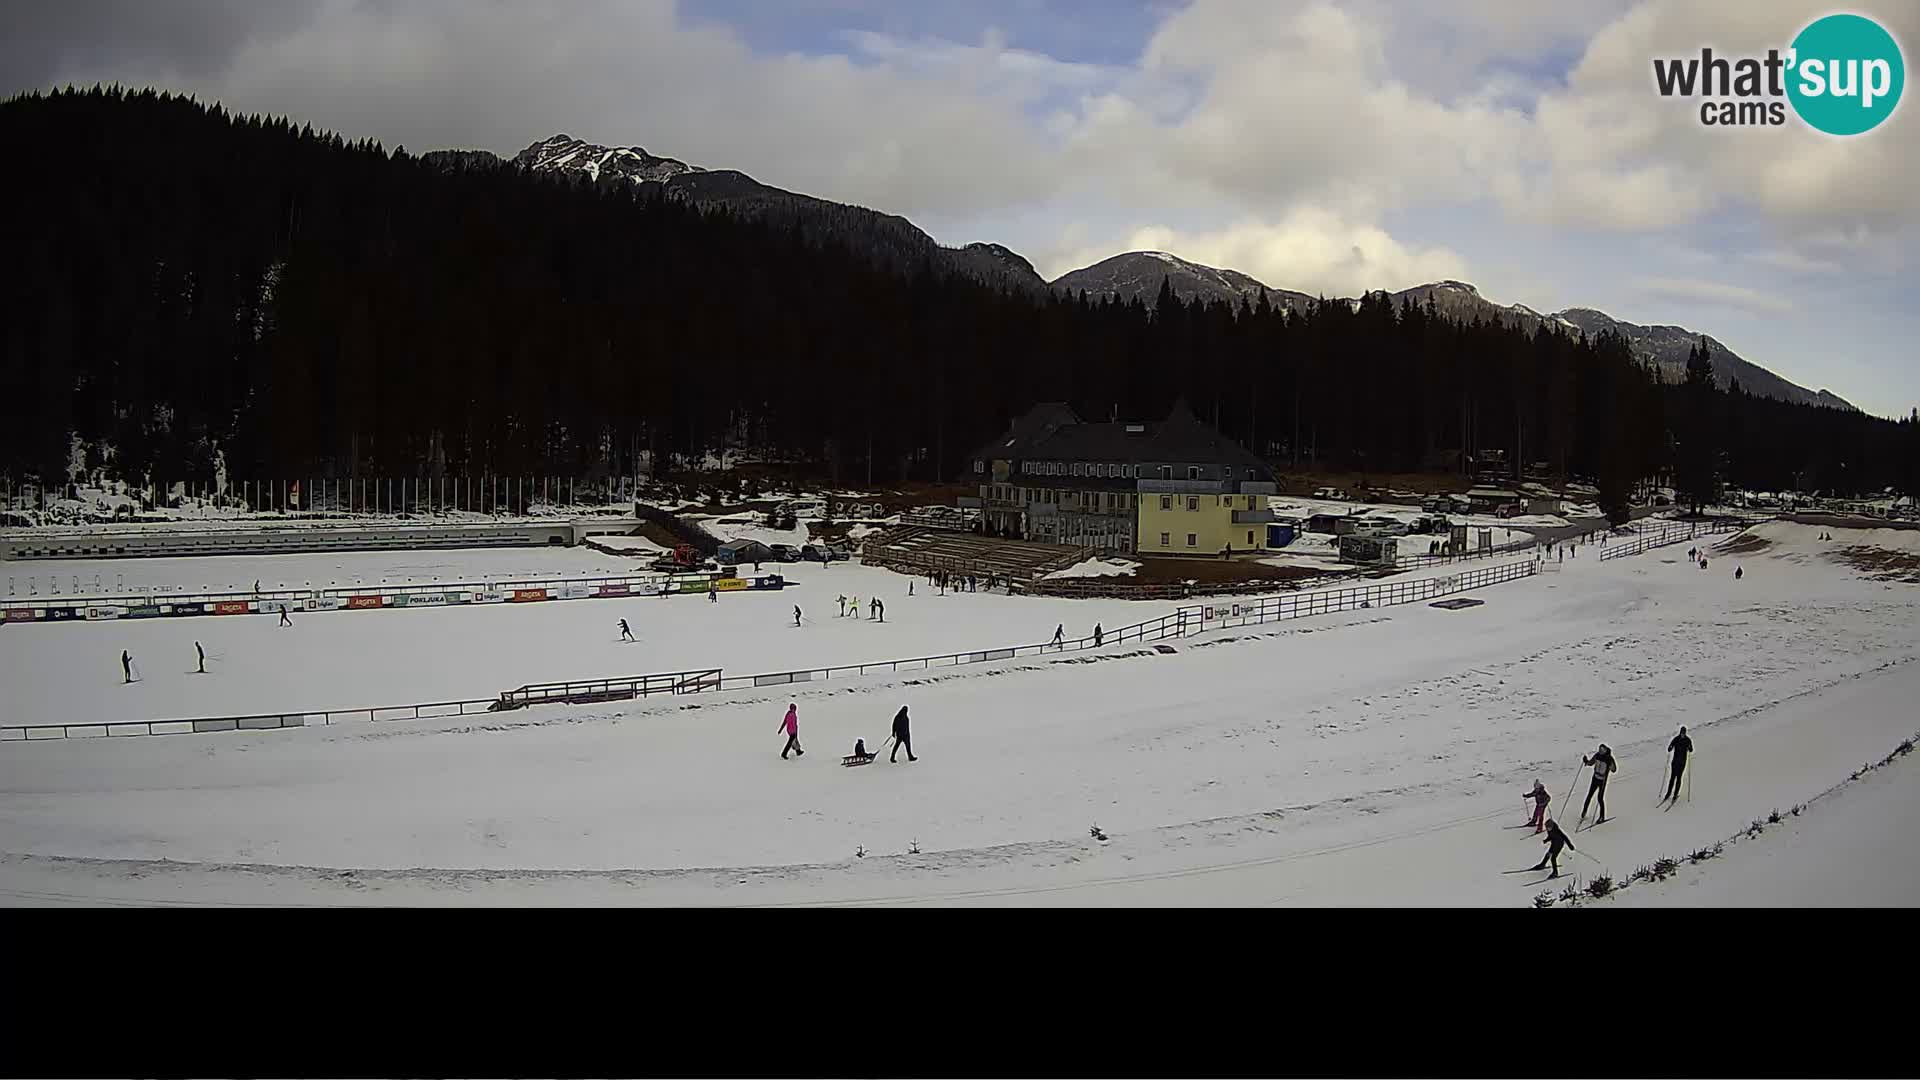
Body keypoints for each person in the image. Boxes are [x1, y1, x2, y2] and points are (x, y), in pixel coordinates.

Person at [1581, 743, 1617, 823]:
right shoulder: (1597, 755)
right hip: (1595, 778)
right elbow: (1591, 763)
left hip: (1602, 781)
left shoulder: (1609, 758)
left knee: (1600, 798)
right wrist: (1586, 761)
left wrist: (1610, 765)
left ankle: (1602, 817)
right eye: (1599, 750)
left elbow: (1614, 770)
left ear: (1605, 750)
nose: (1600, 751)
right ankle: (1584, 812)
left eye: (1602, 750)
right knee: (1589, 795)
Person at [1665, 727, 1694, 803]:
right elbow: (1669, 748)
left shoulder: (1688, 740)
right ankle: (1668, 793)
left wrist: (1690, 747)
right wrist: (1670, 747)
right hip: (1675, 762)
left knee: (1679, 778)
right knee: (1672, 778)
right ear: (1680, 732)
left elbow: (1691, 750)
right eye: (1682, 733)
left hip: (1682, 763)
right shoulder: (1676, 739)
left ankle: (1675, 794)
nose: (1682, 735)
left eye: (1684, 733)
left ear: (1685, 733)